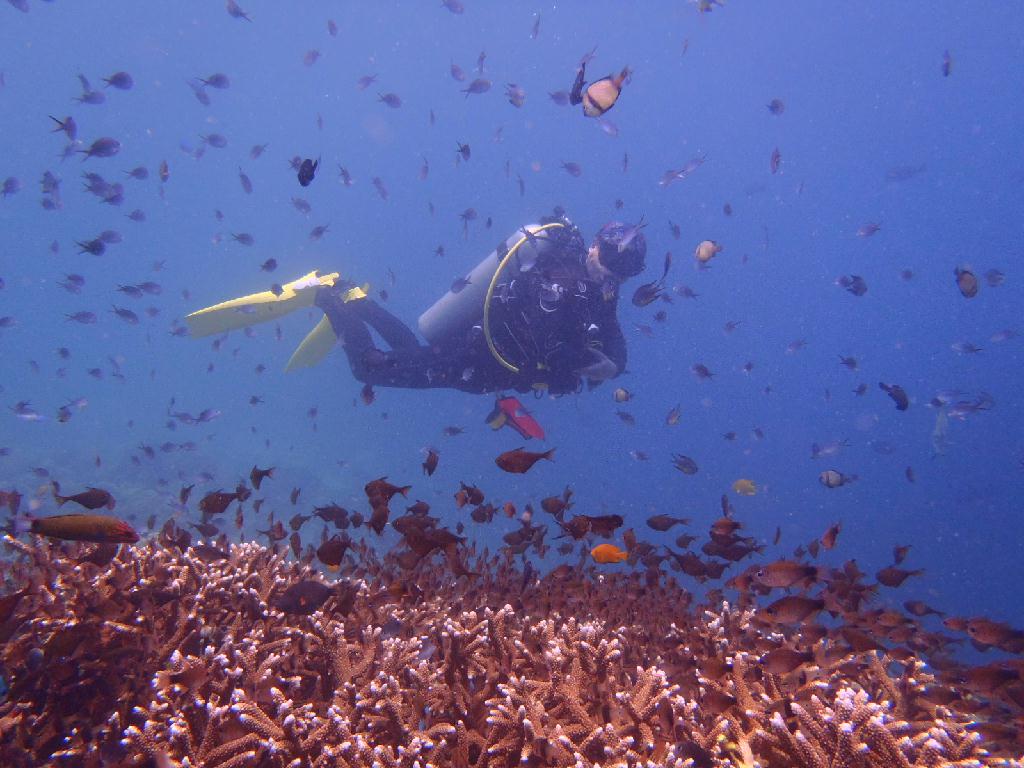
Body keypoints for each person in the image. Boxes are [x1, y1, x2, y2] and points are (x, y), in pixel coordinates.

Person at [186, 211, 646, 397]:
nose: (608, 277)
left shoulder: (598, 293)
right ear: (594, 246)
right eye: (605, 263)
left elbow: (617, 345)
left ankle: (354, 299)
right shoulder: (560, 281)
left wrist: (611, 365)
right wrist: (589, 365)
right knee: (368, 369)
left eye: (619, 275)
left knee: (408, 350)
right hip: (475, 356)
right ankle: (324, 294)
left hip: (481, 365)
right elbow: (551, 348)